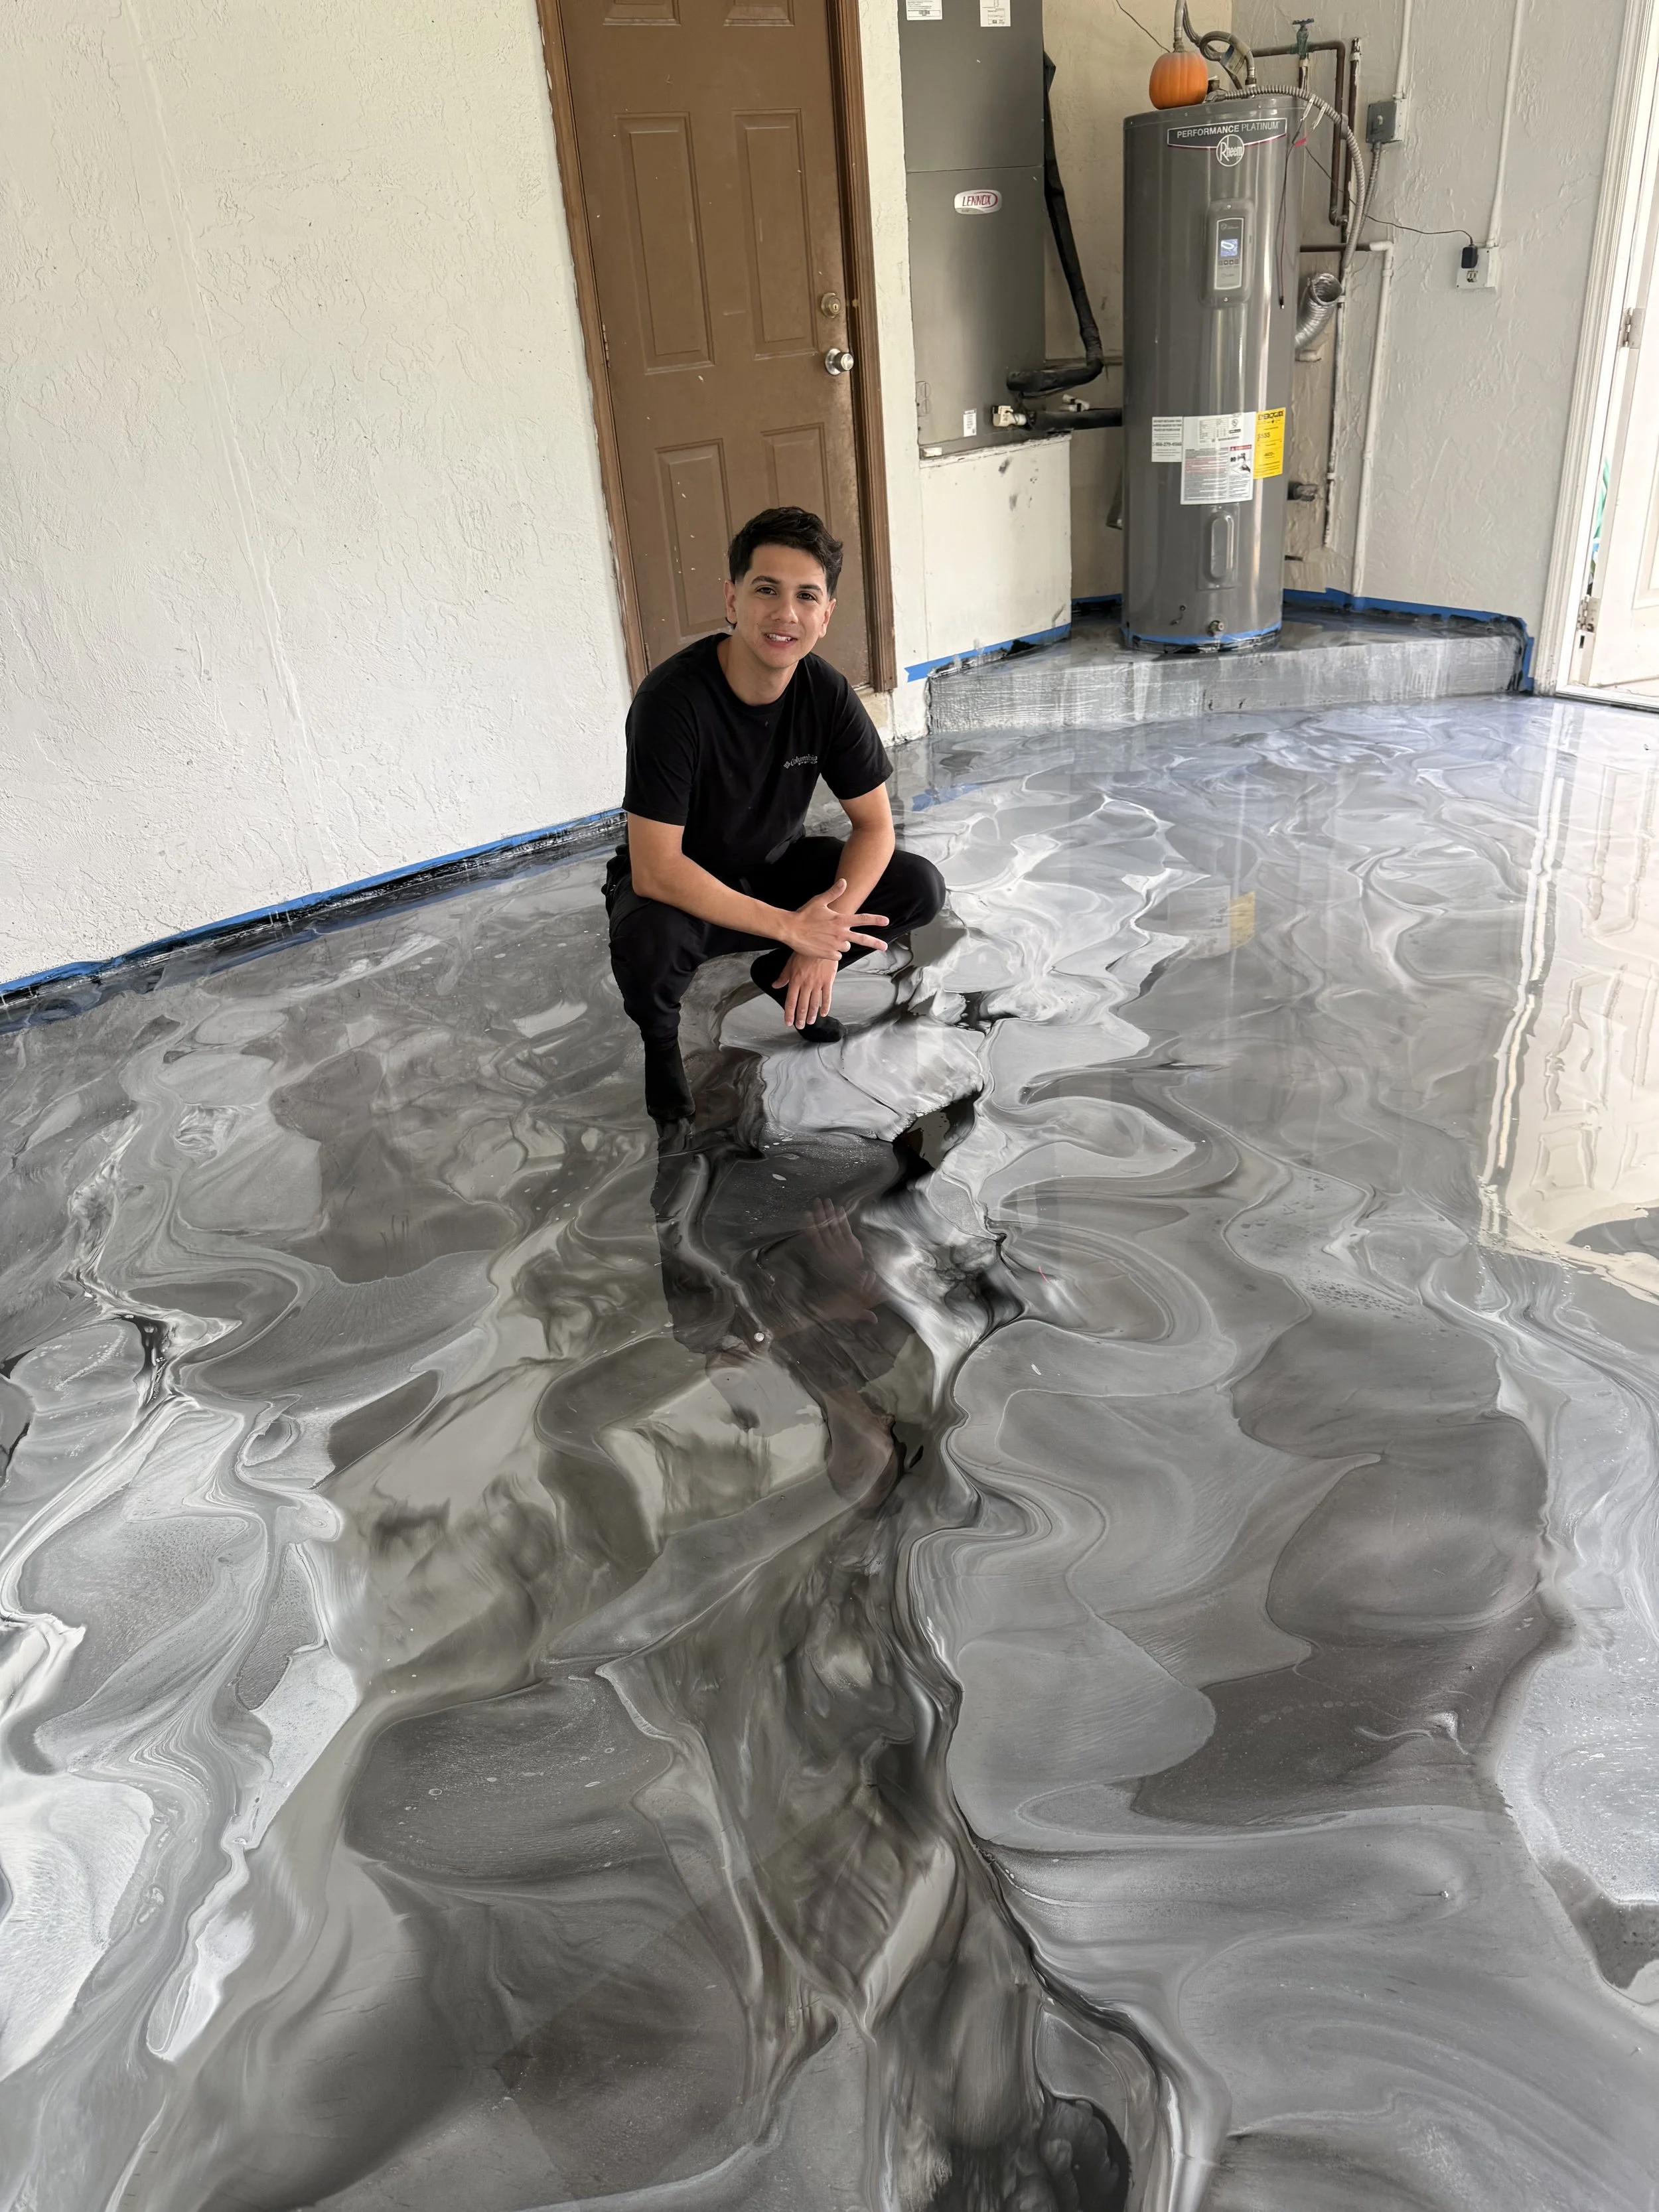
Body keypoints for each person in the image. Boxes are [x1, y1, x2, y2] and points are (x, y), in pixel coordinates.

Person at [605, 506, 946, 1132]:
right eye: (766, 589)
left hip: (775, 867)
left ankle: (787, 978)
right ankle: (660, 1049)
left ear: (825, 614)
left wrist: (825, 936)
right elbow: (656, 869)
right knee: (647, 942)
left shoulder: (826, 692)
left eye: (805, 596)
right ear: (732, 599)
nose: (785, 613)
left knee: (917, 885)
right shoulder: (670, 702)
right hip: (685, 888)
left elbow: (875, 826)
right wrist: (796, 927)